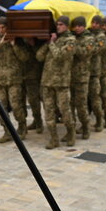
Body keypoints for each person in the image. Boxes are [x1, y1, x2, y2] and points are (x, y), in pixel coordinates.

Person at [0, 17, 30, 142]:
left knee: (16, 106)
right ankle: (7, 131)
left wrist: (14, 45)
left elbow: (25, 57)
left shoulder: (18, 41)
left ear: (8, 28)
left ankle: (22, 127)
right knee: (1, 108)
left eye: (3, 27)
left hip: (14, 79)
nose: (1, 30)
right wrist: (0, 44)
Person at [37, 16, 76, 149]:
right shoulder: (53, 40)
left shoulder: (71, 40)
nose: (58, 27)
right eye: (57, 24)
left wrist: (52, 43)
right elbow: (39, 57)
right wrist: (47, 43)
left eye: (60, 24)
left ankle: (71, 133)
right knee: (48, 111)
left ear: (66, 26)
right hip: (47, 82)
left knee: (65, 111)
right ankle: (54, 139)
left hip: (61, 82)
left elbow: (60, 56)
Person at [70, 16, 95, 139]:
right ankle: (72, 130)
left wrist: (74, 45)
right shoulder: (73, 37)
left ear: (84, 26)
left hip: (82, 77)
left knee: (81, 105)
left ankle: (85, 127)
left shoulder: (89, 39)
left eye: (79, 26)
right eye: (75, 26)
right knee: (70, 105)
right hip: (69, 76)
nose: (77, 28)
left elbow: (85, 54)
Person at [21, 37, 45, 134]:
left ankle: (38, 122)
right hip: (21, 74)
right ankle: (35, 121)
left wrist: (33, 45)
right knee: (27, 101)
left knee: (34, 100)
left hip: (34, 74)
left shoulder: (38, 41)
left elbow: (40, 56)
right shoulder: (20, 41)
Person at [87, 16, 106, 132]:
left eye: (96, 23)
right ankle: (86, 123)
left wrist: (88, 44)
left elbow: (97, 50)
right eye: (92, 22)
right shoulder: (88, 34)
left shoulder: (101, 37)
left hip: (94, 71)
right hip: (84, 71)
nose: (94, 25)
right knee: (85, 100)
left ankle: (100, 120)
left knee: (95, 98)